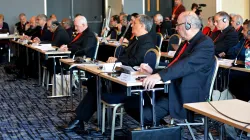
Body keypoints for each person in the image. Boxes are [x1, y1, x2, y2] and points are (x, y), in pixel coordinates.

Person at [61, 14, 155, 132]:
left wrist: (118, 60)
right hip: (123, 76)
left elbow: (135, 61)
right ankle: (83, 119)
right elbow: (125, 56)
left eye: (134, 23)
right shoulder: (136, 40)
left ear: (142, 25)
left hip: (132, 84)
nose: (131, 25)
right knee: (95, 82)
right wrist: (117, 60)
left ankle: (80, 119)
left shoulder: (147, 42)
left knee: (97, 84)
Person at [124, 11, 215, 125]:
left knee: (145, 115)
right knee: (130, 103)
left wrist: (159, 76)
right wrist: (153, 71)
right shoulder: (186, 43)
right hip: (172, 87)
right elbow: (173, 65)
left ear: (188, 25)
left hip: (186, 93)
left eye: (178, 25)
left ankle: (161, 129)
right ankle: (162, 128)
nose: (176, 29)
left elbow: (186, 65)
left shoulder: (205, 43)